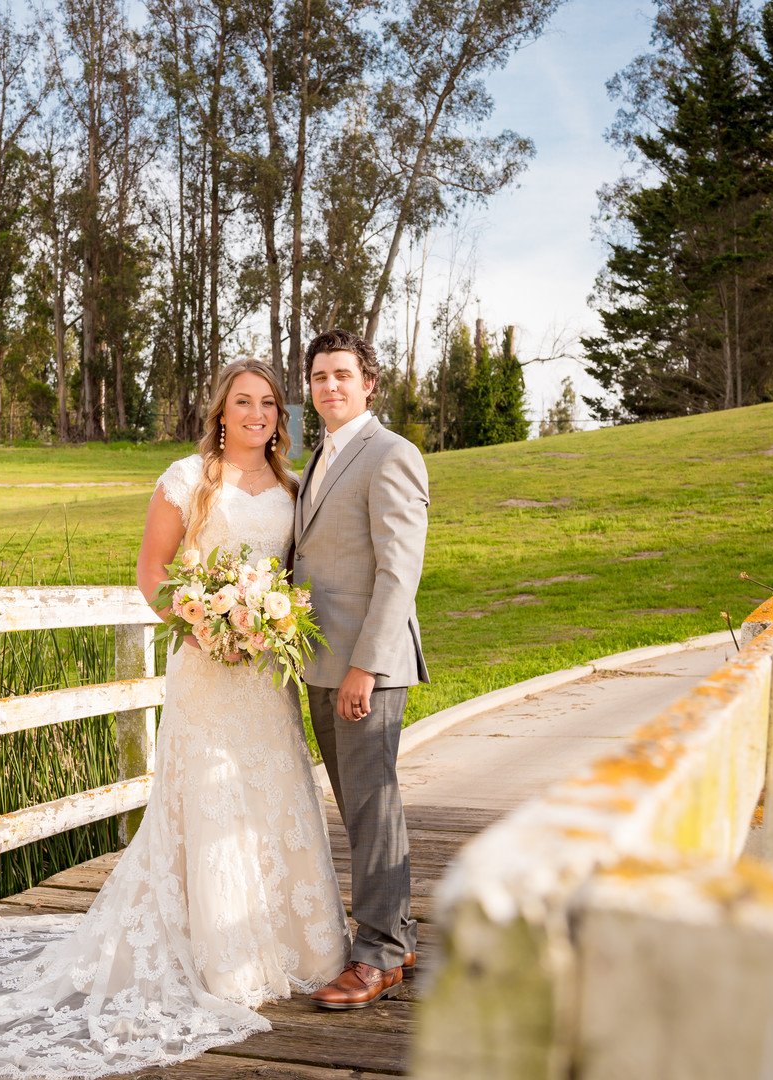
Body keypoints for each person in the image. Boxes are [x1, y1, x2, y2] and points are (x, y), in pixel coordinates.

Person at [0, 359, 348, 1077]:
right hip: (206, 669)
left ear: (281, 416)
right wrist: (197, 621)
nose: (258, 413)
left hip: (263, 676)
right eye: (243, 402)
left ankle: (285, 943)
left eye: (270, 403)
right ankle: (220, 959)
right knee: (210, 797)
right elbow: (152, 571)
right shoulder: (188, 480)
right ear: (221, 412)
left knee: (274, 790)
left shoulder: (293, 487)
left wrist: (270, 622)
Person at [294, 328, 429, 1010]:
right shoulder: (320, 456)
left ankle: (375, 956)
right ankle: (398, 938)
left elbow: (399, 570)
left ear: (369, 383)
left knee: (374, 808)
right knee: (359, 809)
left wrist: (365, 669)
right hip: (320, 662)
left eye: (343, 375)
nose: (330, 387)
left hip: (363, 669)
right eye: (320, 376)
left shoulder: (390, 455)